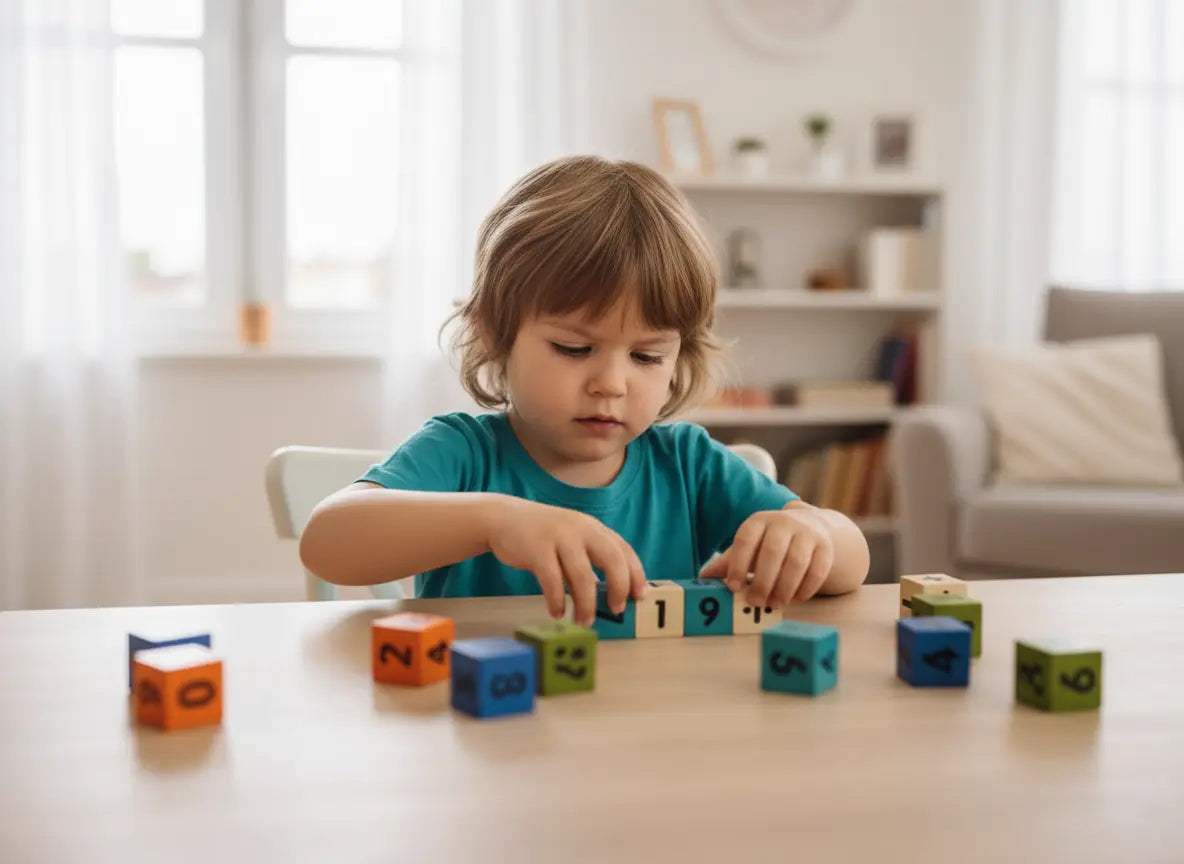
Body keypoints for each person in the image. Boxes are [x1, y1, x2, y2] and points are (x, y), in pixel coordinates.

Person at [300, 155, 870, 626]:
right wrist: (497, 522)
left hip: (652, 734)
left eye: (647, 357)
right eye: (574, 349)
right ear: (494, 334)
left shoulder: (689, 465)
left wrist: (811, 531)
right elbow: (328, 540)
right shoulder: (464, 455)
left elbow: (853, 561)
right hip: (491, 739)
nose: (611, 384)